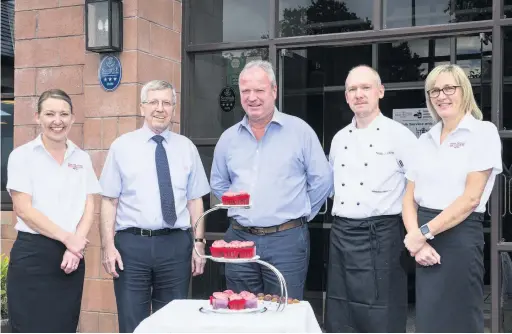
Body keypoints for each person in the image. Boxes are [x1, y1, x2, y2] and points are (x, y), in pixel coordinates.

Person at [210, 60, 332, 300]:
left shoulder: (300, 131)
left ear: (274, 91)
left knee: (284, 312)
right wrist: (242, 210)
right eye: (246, 91)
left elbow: (323, 180)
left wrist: (301, 211)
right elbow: (219, 183)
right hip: (239, 240)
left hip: (285, 241)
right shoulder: (228, 139)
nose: (252, 97)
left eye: (259, 90)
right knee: (240, 312)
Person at [99, 80, 210, 333]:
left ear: (174, 108)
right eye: (154, 102)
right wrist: (107, 246)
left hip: (175, 246)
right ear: (142, 107)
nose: (160, 108)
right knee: (132, 324)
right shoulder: (121, 146)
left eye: (167, 103)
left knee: (172, 324)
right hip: (132, 248)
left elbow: (195, 201)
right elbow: (109, 200)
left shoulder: (187, 148)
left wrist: (199, 244)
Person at [402, 64, 502, 332]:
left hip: (459, 236)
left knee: (461, 320)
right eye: (434, 90)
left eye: (448, 88)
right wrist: (417, 242)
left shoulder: (483, 132)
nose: (441, 95)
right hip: (424, 242)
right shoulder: (425, 139)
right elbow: (409, 198)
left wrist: (422, 234)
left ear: (464, 91)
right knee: (429, 320)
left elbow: (470, 199)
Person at [325, 65, 416, 333]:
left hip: (383, 234)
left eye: (365, 88)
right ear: (346, 96)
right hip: (342, 233)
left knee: (382, 311)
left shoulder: (399, 135)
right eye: (352, 89)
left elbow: (417, 186)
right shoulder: (339, 139)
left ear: (380, 92)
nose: (359, 94)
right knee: (341, 310)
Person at [6, 89, 100, 332]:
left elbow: (90, 204)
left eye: (63, 114)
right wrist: (69, 239)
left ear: (72, 117)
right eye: (50, 114)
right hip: (33, 255)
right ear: (37, 117)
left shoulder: (81, 157)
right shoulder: (22, 156)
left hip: (71, 257)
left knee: (64, 326)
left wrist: (75, 245)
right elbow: (24, 210)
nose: (57, 121)